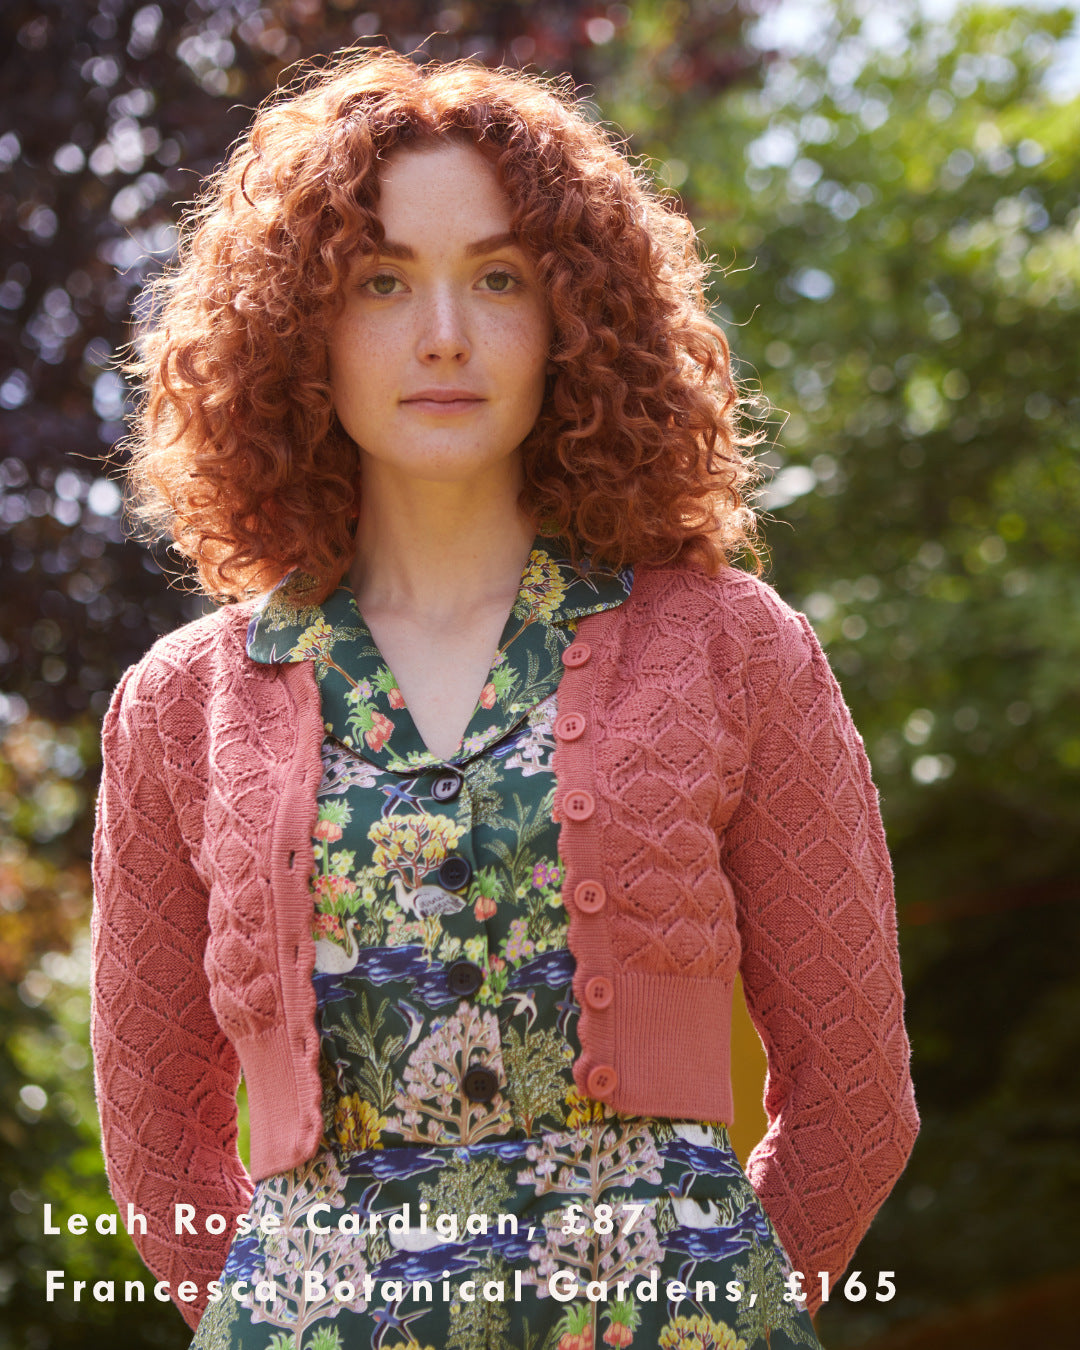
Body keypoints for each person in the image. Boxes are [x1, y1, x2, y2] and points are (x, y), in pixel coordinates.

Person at [91, 46, 919, 1350]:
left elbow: (858, 1098)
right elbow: (154, 1140)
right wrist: (279, 1321)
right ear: (297, 321)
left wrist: (712, 1305)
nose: (443, 333)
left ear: (574, 315)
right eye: (381, 279)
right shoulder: (180, 706)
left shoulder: (729, 646)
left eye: (497, 277)